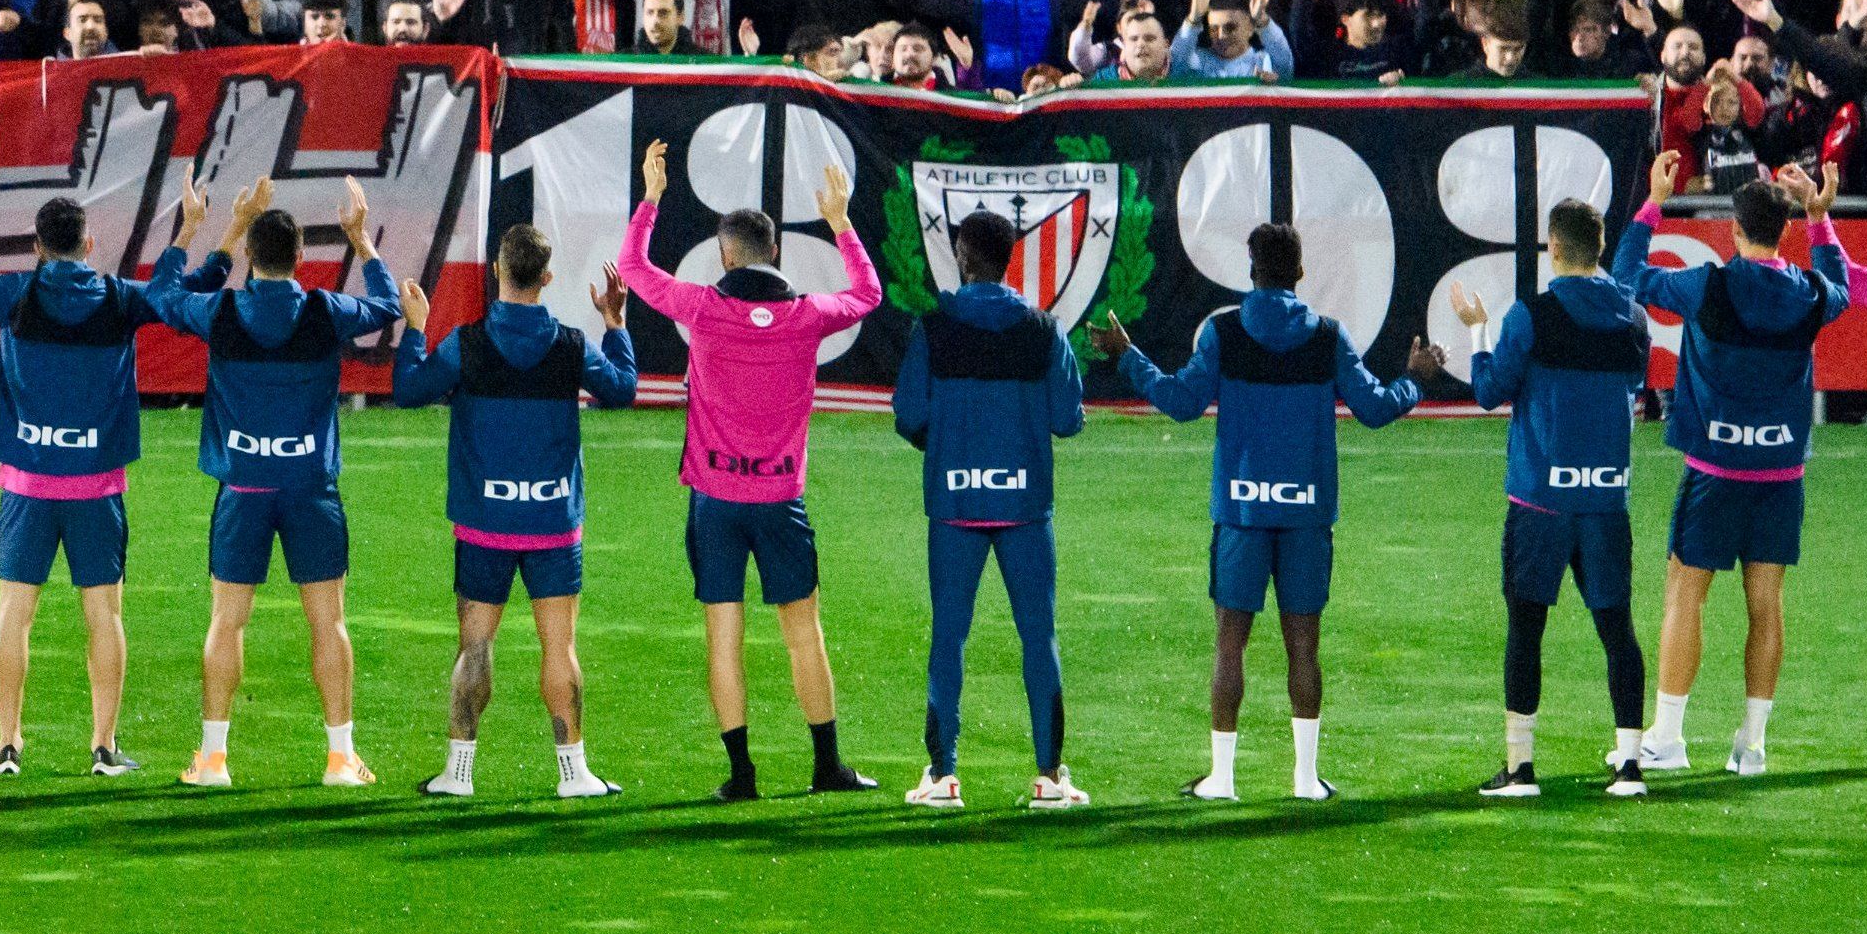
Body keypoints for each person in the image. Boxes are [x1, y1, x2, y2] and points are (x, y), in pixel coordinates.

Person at [0, 163, 204, 781]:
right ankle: (104, 748)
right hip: (96, 490)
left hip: (27, 487)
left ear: (37, 247)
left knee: (14, 610)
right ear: (88, 244)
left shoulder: (14, 294)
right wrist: (189, 232)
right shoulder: (119, 300)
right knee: (105, 615)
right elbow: (173, 295)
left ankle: (8, 745)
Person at [1105, 224, 1441, 801]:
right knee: (1304, 646)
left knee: (1230, 644)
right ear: (1300, 273)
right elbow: (1375, 409)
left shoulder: (1223, 332)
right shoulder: (1327, 337)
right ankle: (1306, 780)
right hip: (1307, 515)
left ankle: (1224, 779)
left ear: (1251, 270)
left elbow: (1181, 402)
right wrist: (1415, 378)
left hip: (1241, 513)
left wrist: (1128, 356)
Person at [615, 140, 882, 800]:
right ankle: (827, 767)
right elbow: (869, 293)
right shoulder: (806, 316)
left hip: (715, 498)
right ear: (777, 255)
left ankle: (742, 776)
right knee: (803, 634)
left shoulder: (704, 307)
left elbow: (632, 268)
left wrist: (651, 197)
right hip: (780, 499)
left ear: (724, 255)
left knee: (723, 639)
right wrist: (841, 221)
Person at [145, 177, 403, 789]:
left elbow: (160, 294)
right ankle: (340, 758)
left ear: (252, 258)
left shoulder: (222, 310)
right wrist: (362, 242)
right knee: (328, 623)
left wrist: (214, 228)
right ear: (300, 260)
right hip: (311, 489)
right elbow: (390, 307)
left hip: (244, 491)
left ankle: (212, 759)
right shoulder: (324, 310)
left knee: (226, 622)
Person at [1612, 155, 1848, 777]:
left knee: (1684, 597)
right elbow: (1843, 288)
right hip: (1780, 477)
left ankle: (1667, 738)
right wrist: (1821, 220)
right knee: (1765, 604)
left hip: (1715, 473)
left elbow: (1626, 276)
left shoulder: (1707, 285)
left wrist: (1652, 202)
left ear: (1735, 232)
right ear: (1785, 231)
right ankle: (1753, 745)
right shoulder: (1809, 295)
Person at [390, 228, 638, 799]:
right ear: (546, 279)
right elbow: (622, 388)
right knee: (560, 648)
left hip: (485, 526)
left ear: (497, 272)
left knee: (474, 647)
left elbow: (408, 390)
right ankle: (574, 775)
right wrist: (617, 324)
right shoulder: (572, 344)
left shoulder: (465, 344)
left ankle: (459, 774)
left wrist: (418, 328)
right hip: (553, 526)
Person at [1445, 198, 1654, 800]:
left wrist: (1478, 328)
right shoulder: (1633, 317)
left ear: (1553, 247)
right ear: (1600, 244)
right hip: (1606, 499)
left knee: (1526, 628)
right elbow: (1633, 384)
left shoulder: (1529, 316)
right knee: (1617, 627)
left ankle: (1521, 769)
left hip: (1541, 500)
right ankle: (1631, 766)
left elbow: (1489, 390)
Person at [890, 210, 1091, 812]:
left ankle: (944, 775)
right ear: (1008, 258)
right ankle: (1050, 778)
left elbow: (908, 414)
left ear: (963, 254)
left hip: (954, 504)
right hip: (1026, 505)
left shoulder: (933, 327)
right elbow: (1067, 418)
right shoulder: (1042, 328)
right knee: (1039, 637)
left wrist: (949, 442)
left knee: (949, 637)